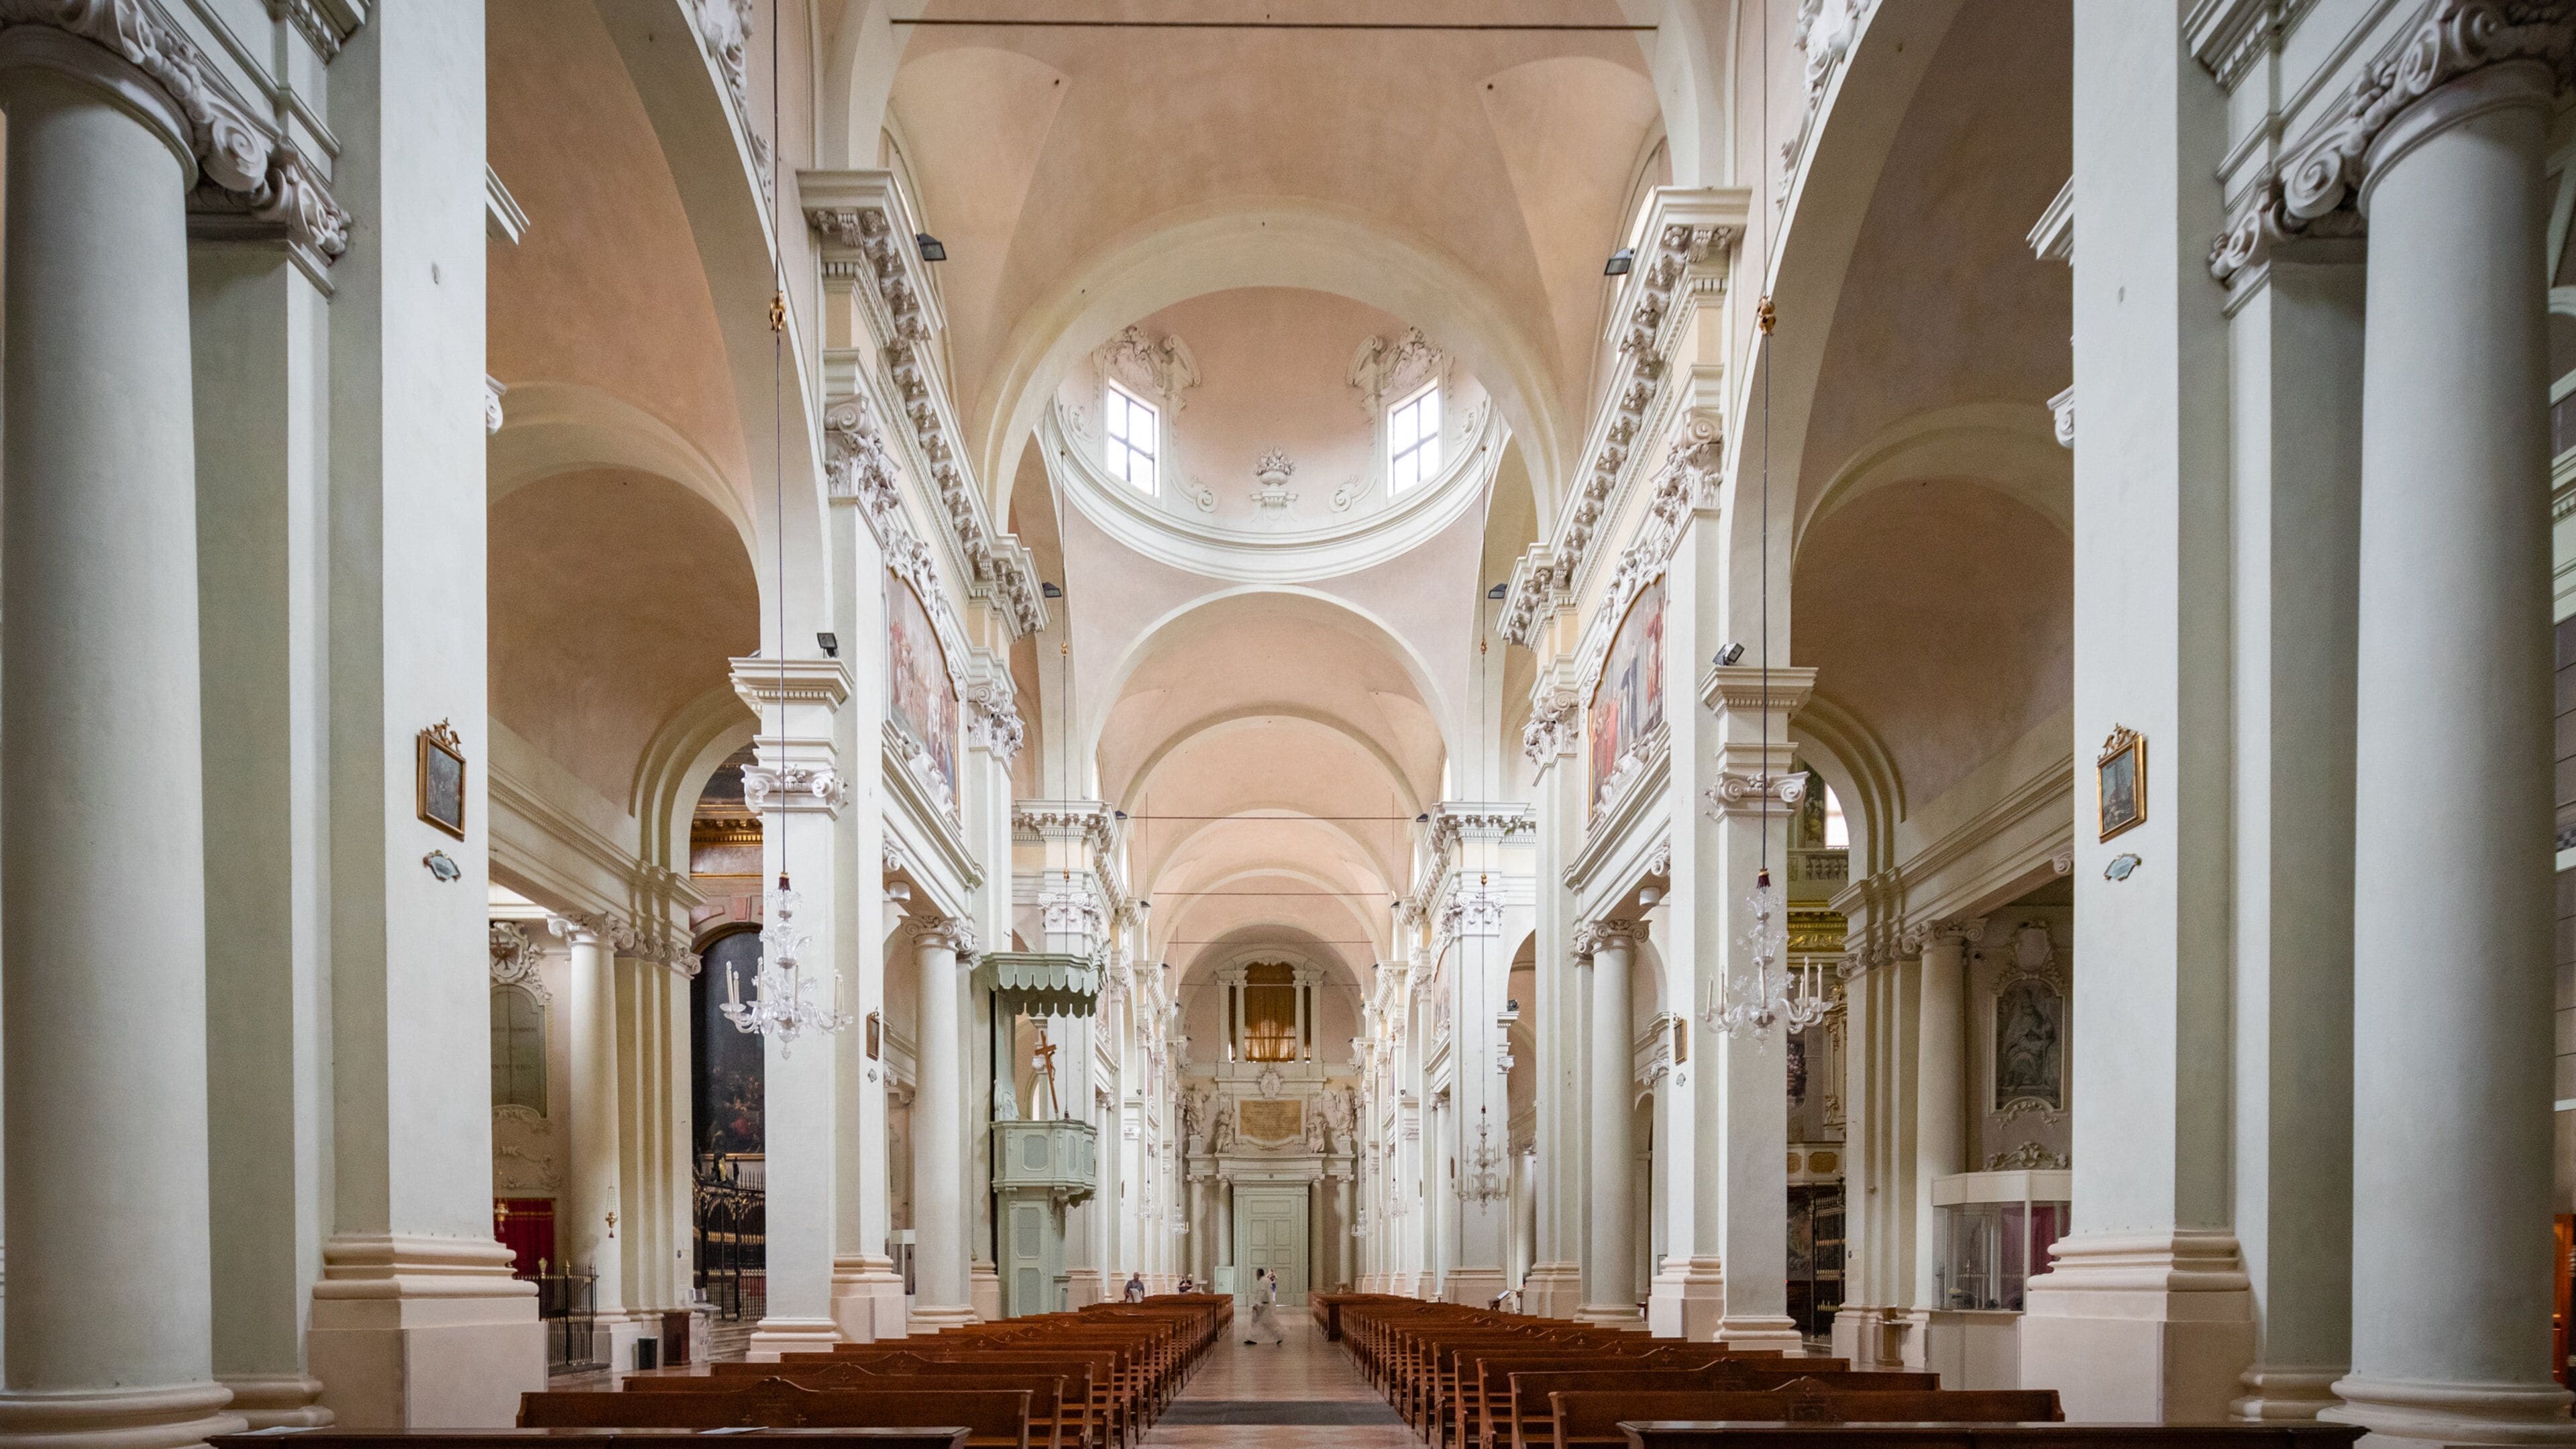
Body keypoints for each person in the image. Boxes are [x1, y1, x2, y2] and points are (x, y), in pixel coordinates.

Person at [1242, 1268, 1286, 1345]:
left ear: (1259, 1274)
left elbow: (1262, 1293)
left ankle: (1279, 1336)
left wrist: (1257, 1304)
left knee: (1269, 1323)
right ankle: (1252, 1338)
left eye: (1256, 1274)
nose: (1256, 1276)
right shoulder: (1266, 1280)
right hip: (1264, 1305)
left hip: (1263, 1306)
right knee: (1256, 1322)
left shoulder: (1263, 1281)